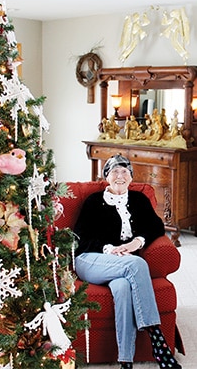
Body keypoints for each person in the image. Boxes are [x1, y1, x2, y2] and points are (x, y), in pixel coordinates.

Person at [74, 154, 181, 369]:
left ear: (131, 177)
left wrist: (136, 243)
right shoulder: (94, 201)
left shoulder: (139, 200)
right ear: (106, 176)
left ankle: (126, 360)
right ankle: (157, 338)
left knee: (123, 288)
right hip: (91, 260)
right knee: (137, 264)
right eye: (115, 171)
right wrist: (110, 249)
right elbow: (80, 238)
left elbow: (156, 227)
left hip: (122, 264)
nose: (120, 176)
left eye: (125, 171)